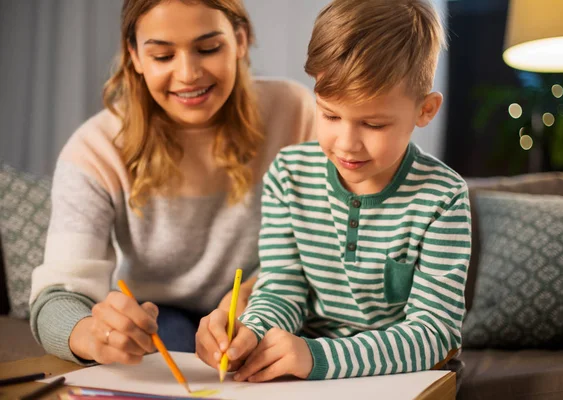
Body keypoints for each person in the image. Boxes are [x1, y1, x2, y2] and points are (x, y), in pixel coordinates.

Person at [196, 0, 471, 383]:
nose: (346, 144)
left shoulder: (443, 197)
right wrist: (252, 333)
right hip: (306, 372)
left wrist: (317, 356)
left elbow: (434, 335)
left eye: (373, 124)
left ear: (425, 110)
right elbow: (282, 287)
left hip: (401, 378)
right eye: (329, 115)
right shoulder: (289, 175)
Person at [29, 0, 315, 366]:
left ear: (240, 40)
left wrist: (254, 293)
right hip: (162, 319)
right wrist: (89, 333)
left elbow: (323, 244)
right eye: (163, 56)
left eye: (208, 48)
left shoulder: (295, 113)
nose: (188, 74)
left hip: (272, 303)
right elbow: (58, 296)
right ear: (134, 55)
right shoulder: (94, 150)